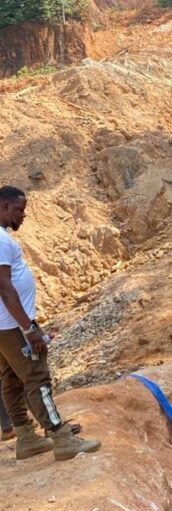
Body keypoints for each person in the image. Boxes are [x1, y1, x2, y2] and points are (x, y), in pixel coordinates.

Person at [0, 185, 101, 461]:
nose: (23, 215)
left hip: (5, 325)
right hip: (11, 325)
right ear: (5, 206)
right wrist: (29, 328)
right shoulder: (0, 240)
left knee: (11, 378)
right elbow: (5, 287)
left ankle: (26, 438)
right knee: (36, 377)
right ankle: (61, 437)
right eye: (19, 210)